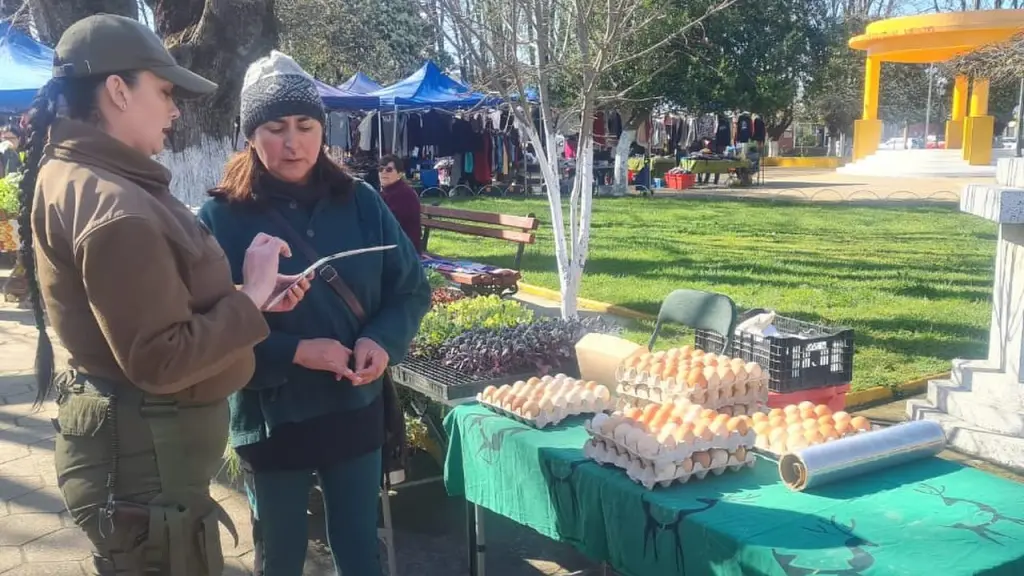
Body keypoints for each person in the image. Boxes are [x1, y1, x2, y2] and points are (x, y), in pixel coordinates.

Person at [19, 14, 310, 576]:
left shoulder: (96, 178)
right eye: (165, 91)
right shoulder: (114, 204)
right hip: (147, 475)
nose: (175, 111)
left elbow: (148, 301)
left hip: (146, 465)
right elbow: (160, 357)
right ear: (117, 91)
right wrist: (247, 299)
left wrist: (243, 300)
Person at [198, 51, 431, 576]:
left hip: (354, 406)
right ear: (250, 135)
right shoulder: (220, 218)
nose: (292, 142)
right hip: (272, 417)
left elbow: (411, 290)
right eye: (274, 127)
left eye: (305, 126)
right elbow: (209, 331)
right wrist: (297, 352)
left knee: (358, 547)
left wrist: (380, 341)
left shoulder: (363, 203)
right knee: (279, 555)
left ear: (323, 131)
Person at [377, 153, 423, 253]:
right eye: (381, 169)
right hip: (391, 244)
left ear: (399, 174)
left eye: (389, 170)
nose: (383, 172)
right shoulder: (387, 192)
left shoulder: (404, 194)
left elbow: (390, 224)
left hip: (404, 250)